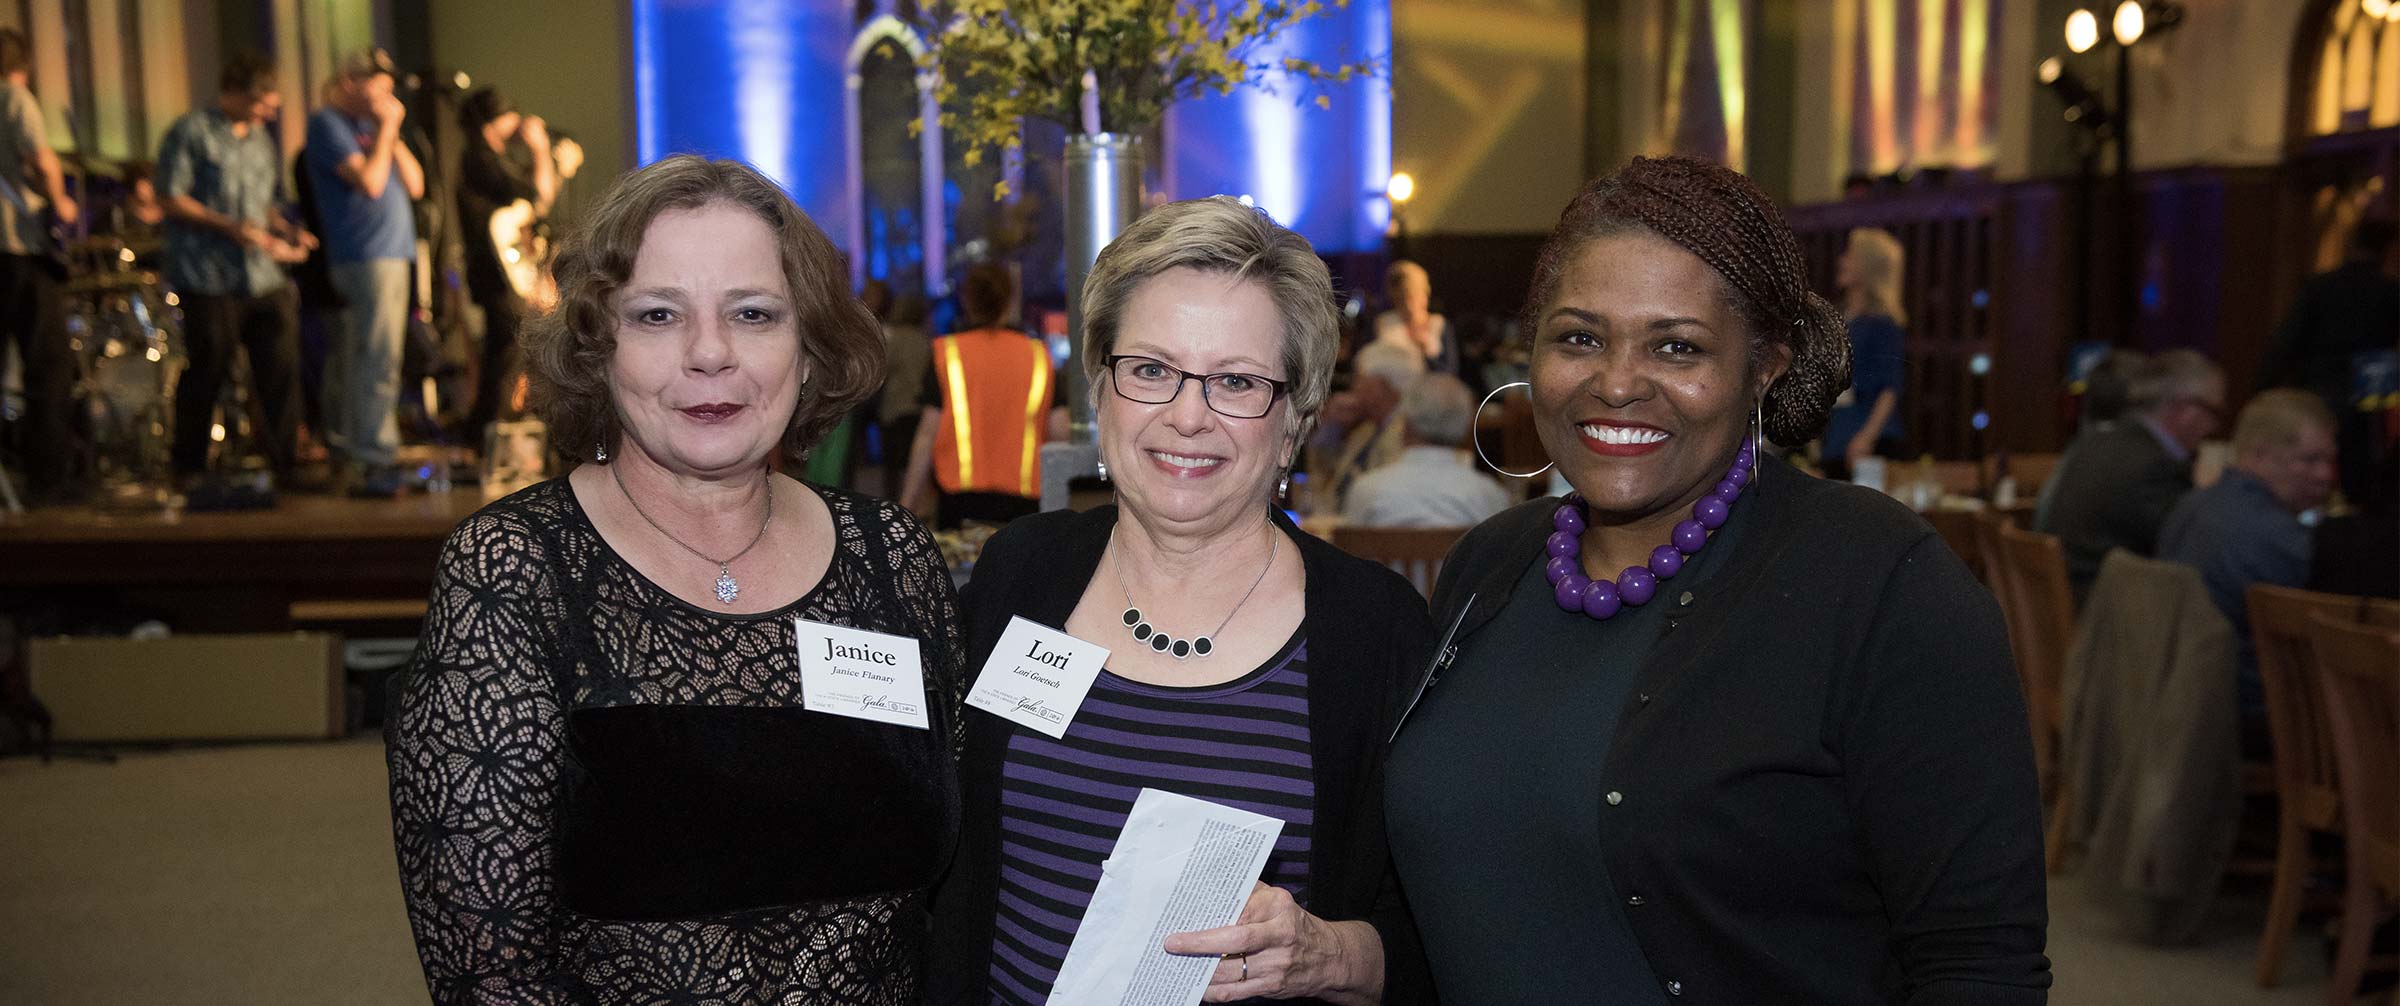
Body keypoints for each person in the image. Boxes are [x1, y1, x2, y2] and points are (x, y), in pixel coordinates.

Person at [1383, 156, 2049, 1003]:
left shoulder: (1883, 587)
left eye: (1678, 346)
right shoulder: (1489, 563)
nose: (1617, 383)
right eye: (1579, 337)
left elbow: (1980, 964)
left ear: (1764, 368)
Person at [386, 156, 959, 1003]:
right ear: (597, 348)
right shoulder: (513, 572)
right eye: (658, 315)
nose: (709, 354)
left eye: (754, 314)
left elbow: (962, 884)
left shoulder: (893, 560)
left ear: (807, 352)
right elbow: (489, 977)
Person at [928, 196, 1433, 1005]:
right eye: (1152, 371)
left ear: (1295, 420)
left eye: (1236, 381)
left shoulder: (1375, 634)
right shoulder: (1021, 572)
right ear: (1101, 390)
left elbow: (1446, 937)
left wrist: (1328, 955)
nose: (1187, 416)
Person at [157, 51, 312, 484]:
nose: (270, 110)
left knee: (280, 365)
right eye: (262, 100)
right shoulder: (192, 132)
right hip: (207, 274)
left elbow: (265, 205)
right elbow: (170, 196)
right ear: (236, 93)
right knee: (209, 365)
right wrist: (226, 225)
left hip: (260, 273)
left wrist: (286, 231)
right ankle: (188, 465)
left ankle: (287, 463)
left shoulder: (261, 140)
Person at [2159, 389, 2339, 718]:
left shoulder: (2189, 506)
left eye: (2330, 461)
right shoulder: (2279, 538)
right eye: (2310, 460)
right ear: (2258, 456)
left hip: (2180, 705)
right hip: (2249, 716)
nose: (2325, 475)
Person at [305, 47, 423, 497]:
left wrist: (388, 131)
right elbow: (371, 183)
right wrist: (389, 126)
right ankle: (372, 456)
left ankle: (367, 451)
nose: (387, 92)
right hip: (362, 254)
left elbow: (414, 184)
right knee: (373, 357)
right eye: (378, 82)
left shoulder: (370, 128)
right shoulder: (327, 125)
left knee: (379, 356)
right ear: (351, 82)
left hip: (392, 252)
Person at [2035, 349, 2225, 602]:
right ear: (2183, 408)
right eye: (2213, 412)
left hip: (2065, 599)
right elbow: (2190, 549)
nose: (2214, 426)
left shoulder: (2098, 441)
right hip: (2104, 615)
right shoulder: (2156, 466)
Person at [900, 261, 1066, 527]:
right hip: (1025, 500)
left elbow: (927, 434)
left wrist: (908, 505)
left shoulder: (948, 352)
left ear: (967, 300)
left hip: (959, 499)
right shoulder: (1038, 355)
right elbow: (1059, 431)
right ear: (1009, 300)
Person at [2262, 218, 2396, 508]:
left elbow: (2287, 340)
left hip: (2321, 381)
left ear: (2350, 244)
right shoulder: (2390, 292)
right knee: (2365, 461)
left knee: (2310, 453)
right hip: (2372, 382)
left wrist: (2263, 388)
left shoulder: (2321, 287)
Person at [454, 86, 559, 448]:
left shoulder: (487, 159)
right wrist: (541, 150)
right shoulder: (481, 160)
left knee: (505, 349)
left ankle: (484, 431)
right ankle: (485, 433)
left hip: (499, 271)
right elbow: (538, 199)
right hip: (496, 274)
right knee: (505, 350)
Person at [0, 28, 78, 501]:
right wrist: (61, 201)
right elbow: (41, 160)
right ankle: (48, 480)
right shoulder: (14, 97)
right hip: (16, 247)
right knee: (48, 364)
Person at [1340, 373, 1512, 528]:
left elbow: (1348, 557)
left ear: (1406, 425)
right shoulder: (1489, 494)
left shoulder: (1366, 490)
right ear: (1466, 427)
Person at [1819, 227, 1905, 477]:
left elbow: (1890, 388)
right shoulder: (1837, 317)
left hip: (1866, 439)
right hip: (1836, 437)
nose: (1842, 260)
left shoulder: (1883, 323)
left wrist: (1866, 437)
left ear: (1866, 266)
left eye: (1850, 255)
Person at [1312, 339, 1422, 514]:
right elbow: (1324, 472)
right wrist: (1331, 426)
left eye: (1359, 379)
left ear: (1380, 386)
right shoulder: (1366, 430)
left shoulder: (1409, 435)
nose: (1353, 387)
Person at [865, 281, 932, 493]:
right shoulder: (925, 341)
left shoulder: (895, 339)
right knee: (911, 463)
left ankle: (893, 508)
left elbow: (882, 369)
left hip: (895, 409)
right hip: (918, 410)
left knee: (892, 468)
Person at [1372, 260, 1456, 375]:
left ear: (1425, 294)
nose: (1408, 305)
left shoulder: (1439, 324)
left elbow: (1449, 371)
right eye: (1402, 298)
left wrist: (1426, 352)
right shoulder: (1384, 323)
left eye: (1413, 296)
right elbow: (1370, 364)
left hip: (1430, 390)